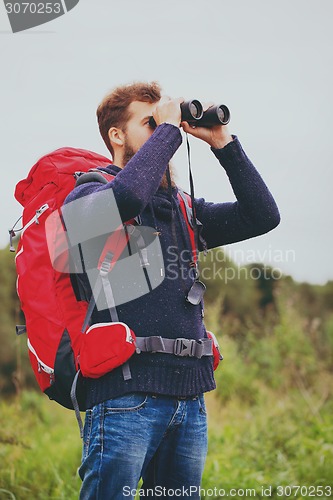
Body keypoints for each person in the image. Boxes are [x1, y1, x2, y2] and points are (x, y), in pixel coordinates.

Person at [64, 81, 280, 499]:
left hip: (189, 398)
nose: (168, 131)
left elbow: (262, 215)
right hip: (126, 398)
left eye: (166, 122)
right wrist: (168, 132)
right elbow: (125, 196)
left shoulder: (180, 207)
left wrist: (222, 143)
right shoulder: (88, 194)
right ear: (117, 135)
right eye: (150, 122)